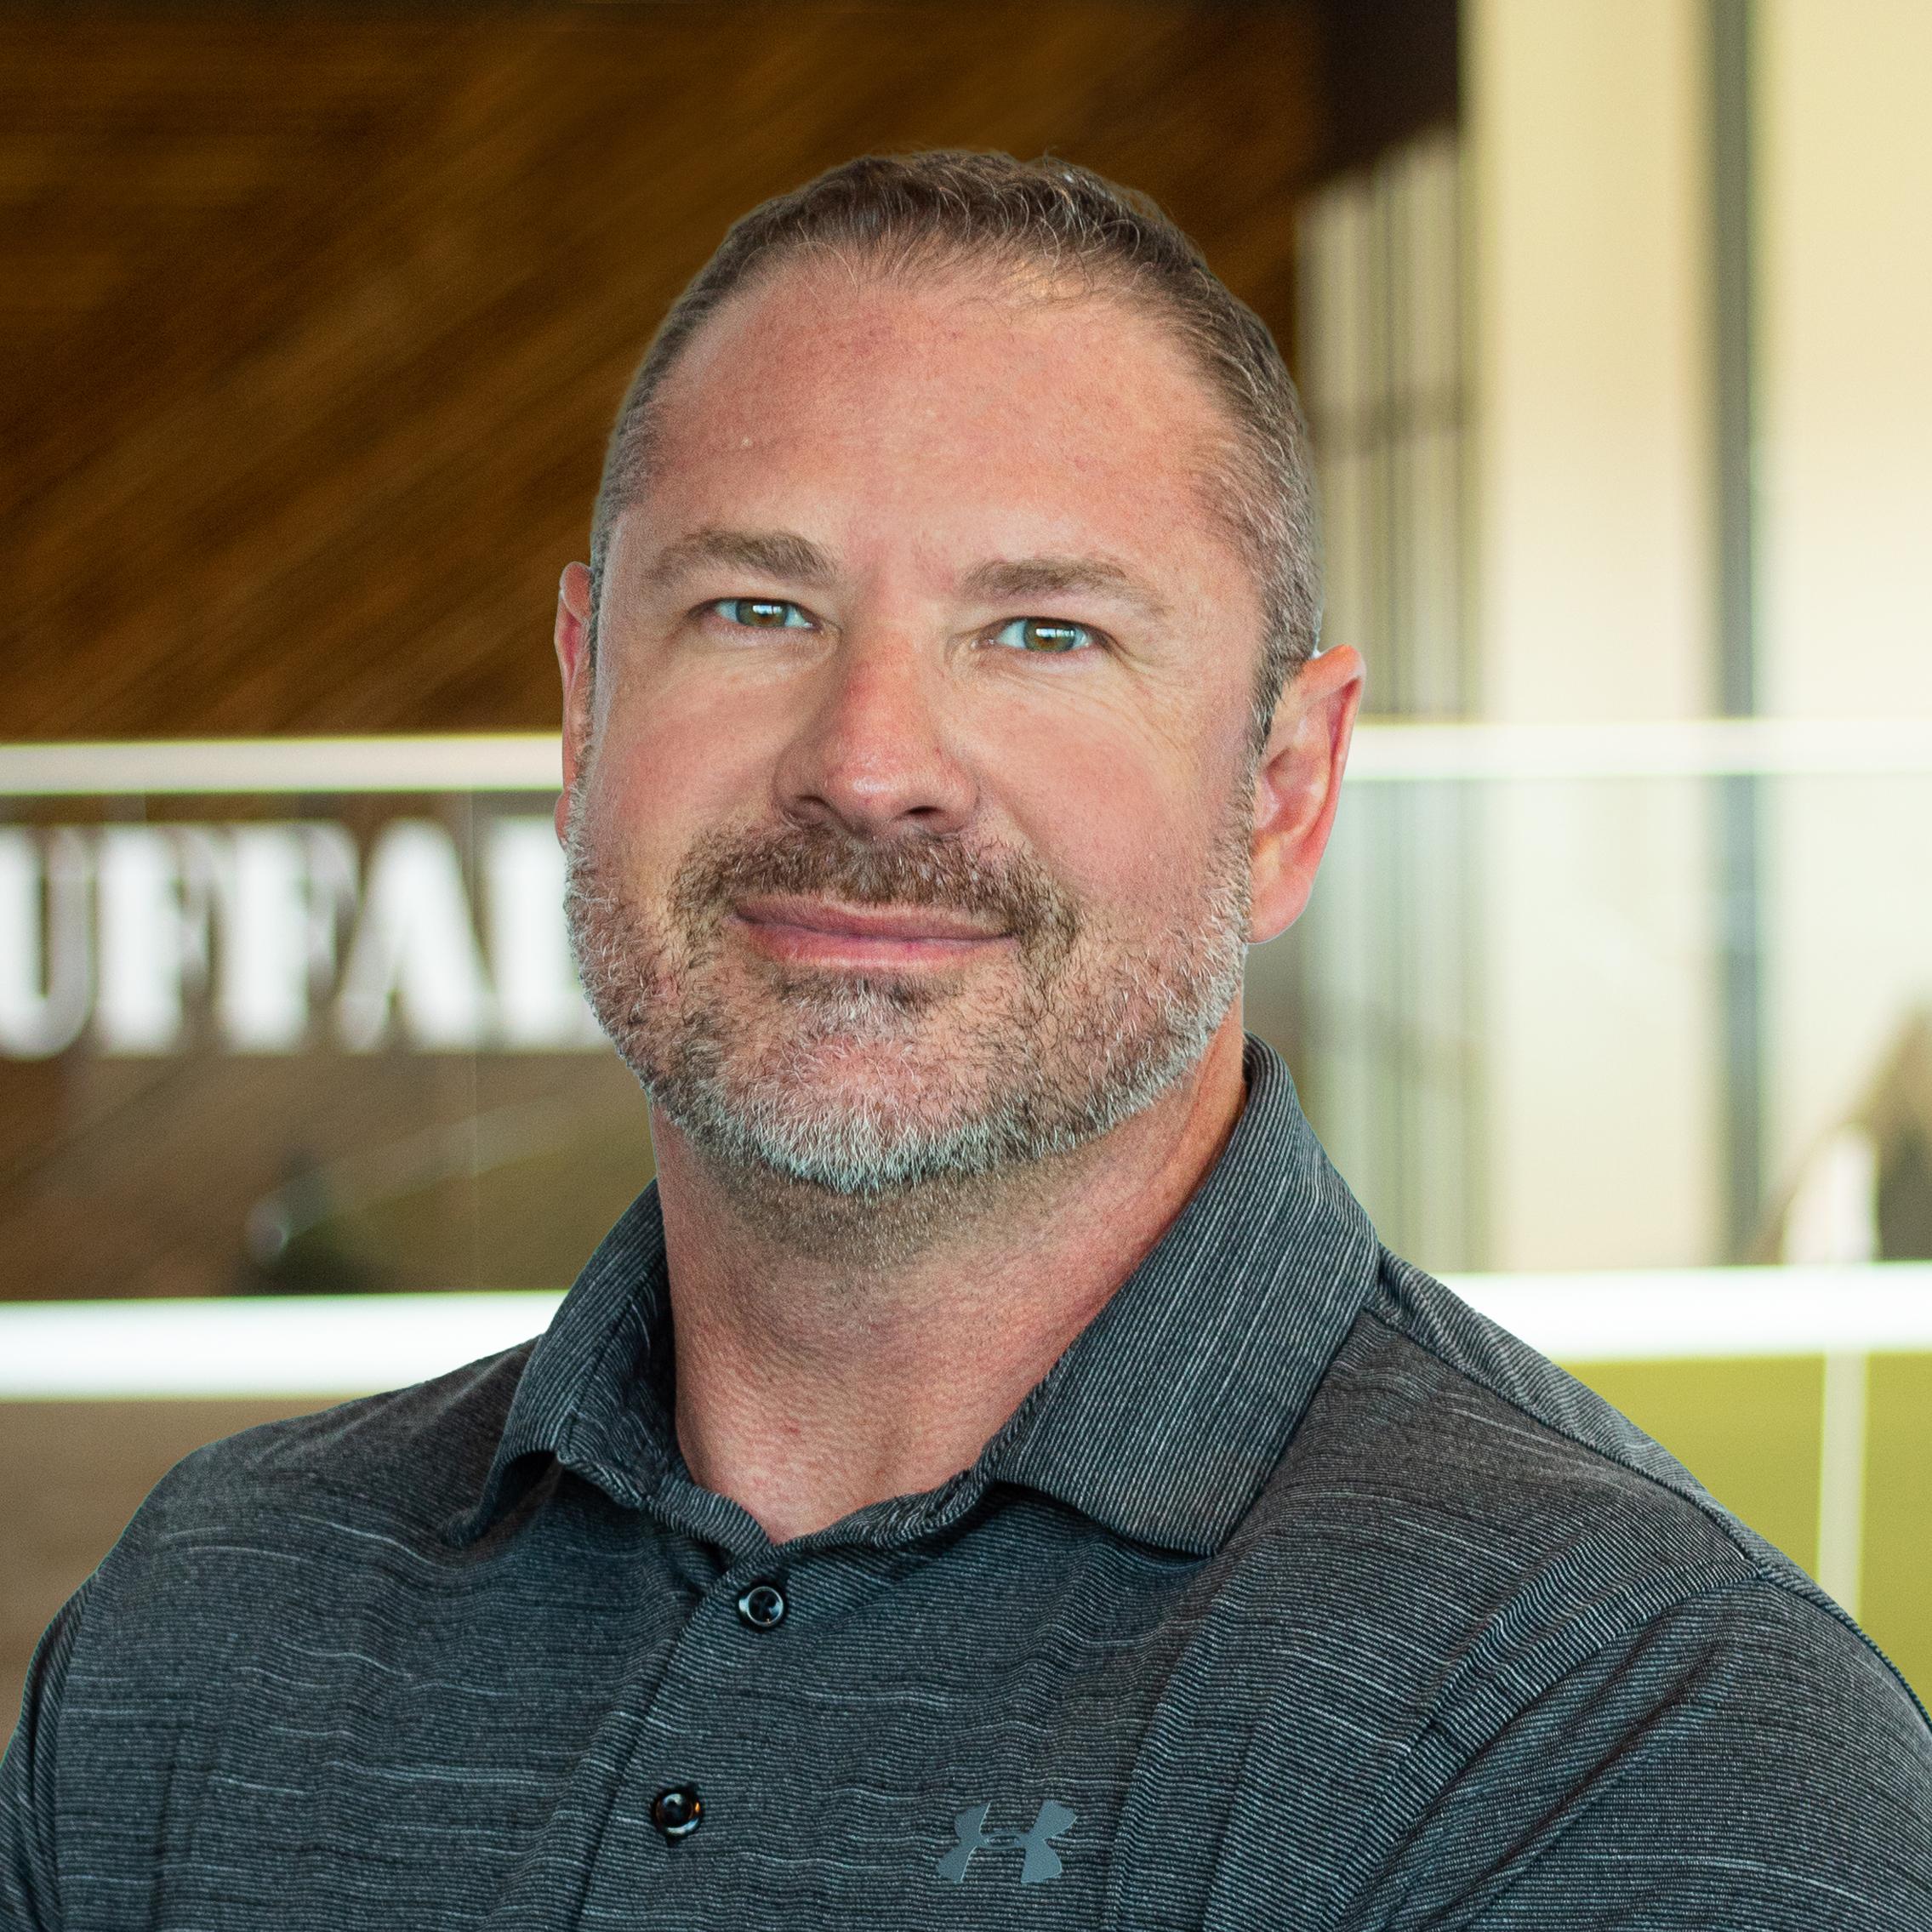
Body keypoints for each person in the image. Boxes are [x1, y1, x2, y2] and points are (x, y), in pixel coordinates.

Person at [4, 151, 1929, 1931]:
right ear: (582, 712)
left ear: (1278, 785)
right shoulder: (205, 1634)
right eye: (757, 605)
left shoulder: (1642, 1741)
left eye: (1040, 632)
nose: (867, 762)